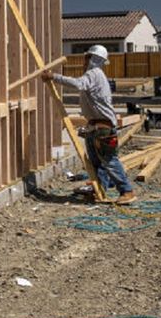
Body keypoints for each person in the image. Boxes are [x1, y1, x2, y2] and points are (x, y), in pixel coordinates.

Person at [42, 45, 137, 205]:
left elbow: (79, 84)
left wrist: (54, 77)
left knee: (109, 160)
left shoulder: (94, 74)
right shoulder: (94, 74)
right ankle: (100, 191)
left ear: (93, 59)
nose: (84, 61)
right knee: (96, 164)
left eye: (87, 58)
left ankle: (127, 191)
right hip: (95, 127)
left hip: (103, 128)